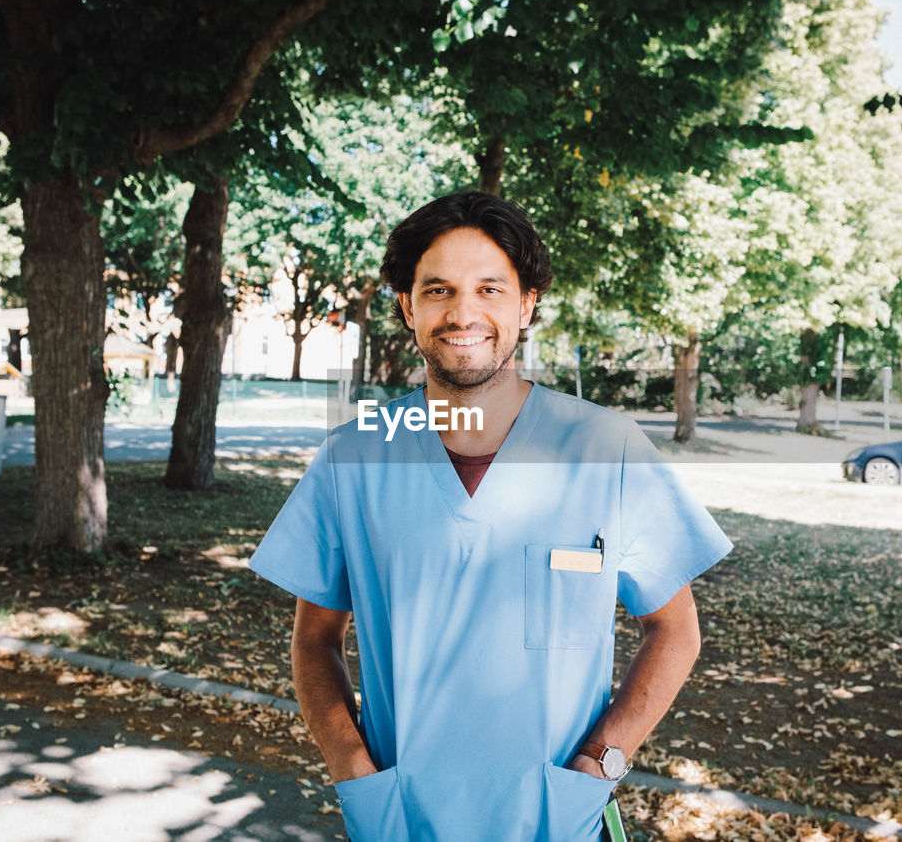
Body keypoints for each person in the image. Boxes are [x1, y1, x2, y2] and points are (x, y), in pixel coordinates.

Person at [249, 192, 731, 841]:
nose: (464, 311)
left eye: (490, 288)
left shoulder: (604, 449)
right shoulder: (354, 458)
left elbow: (675, 631)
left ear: (526, 303)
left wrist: (602, 762)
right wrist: (351, 765)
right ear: (407, 307)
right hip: (401, 820)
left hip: (558, 822)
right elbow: (314, 639)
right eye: (439, 289)